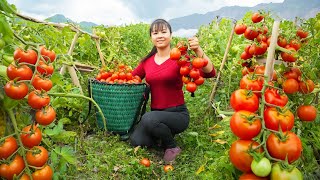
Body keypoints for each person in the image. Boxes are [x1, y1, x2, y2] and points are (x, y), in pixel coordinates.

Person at [129, 19, 216, 163]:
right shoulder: (147, 62)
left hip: (177, 114)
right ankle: (160, 135)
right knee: (137, 140)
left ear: (171, 35)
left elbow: (210, 72)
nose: (160, 36)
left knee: (148, 119)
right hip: (157, 114)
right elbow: (131, 78)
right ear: (151, 37)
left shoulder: (180, 58)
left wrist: (198, 50)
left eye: (164, 32)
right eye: (155, 33)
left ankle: (172, 146)